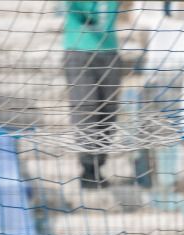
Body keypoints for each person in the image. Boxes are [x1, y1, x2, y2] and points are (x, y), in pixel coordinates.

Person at [61, 0, 125, 189]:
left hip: (110, 52)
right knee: (86, 111)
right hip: (79, 51)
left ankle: (98, 164)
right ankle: (89, 168)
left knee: (109, 113)